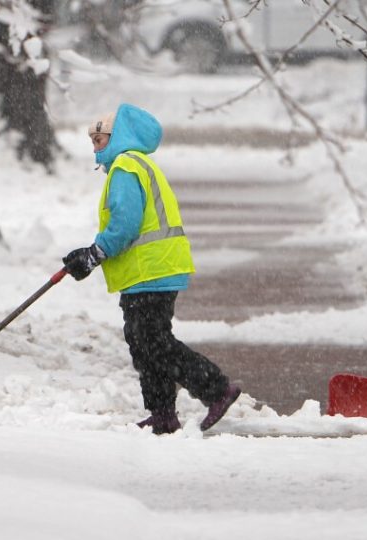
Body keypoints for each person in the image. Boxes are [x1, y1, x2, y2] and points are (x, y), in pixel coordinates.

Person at [62, 103, 242, 434]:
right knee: (144, 341)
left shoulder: (127, 167)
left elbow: (126, 223)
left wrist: (95, 252)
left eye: (99, 140)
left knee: (153, 342)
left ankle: (217, 389)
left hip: (152, 271)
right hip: (148, 272)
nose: (94, 147)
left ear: (117, 138)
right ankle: (162, 413)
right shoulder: (136, 165)